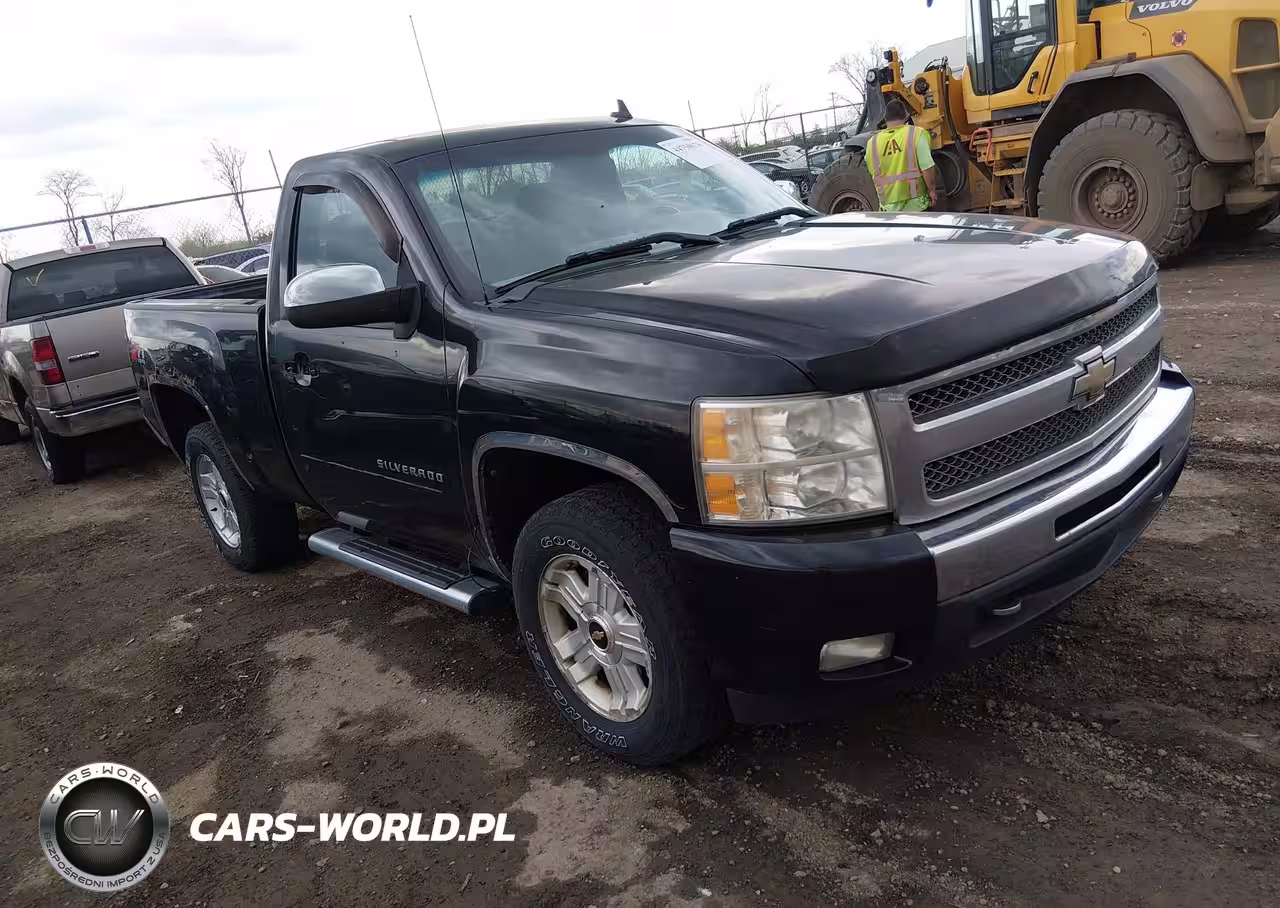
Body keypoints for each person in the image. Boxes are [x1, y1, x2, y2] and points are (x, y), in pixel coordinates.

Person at [866, 99, 939, 212]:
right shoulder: (916, 134)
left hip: (889, 211)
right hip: (916, 206)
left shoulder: (872, 143)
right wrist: (932, 191)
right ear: (905, 116)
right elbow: (927, 167)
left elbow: (873, 172)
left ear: (885, 119)